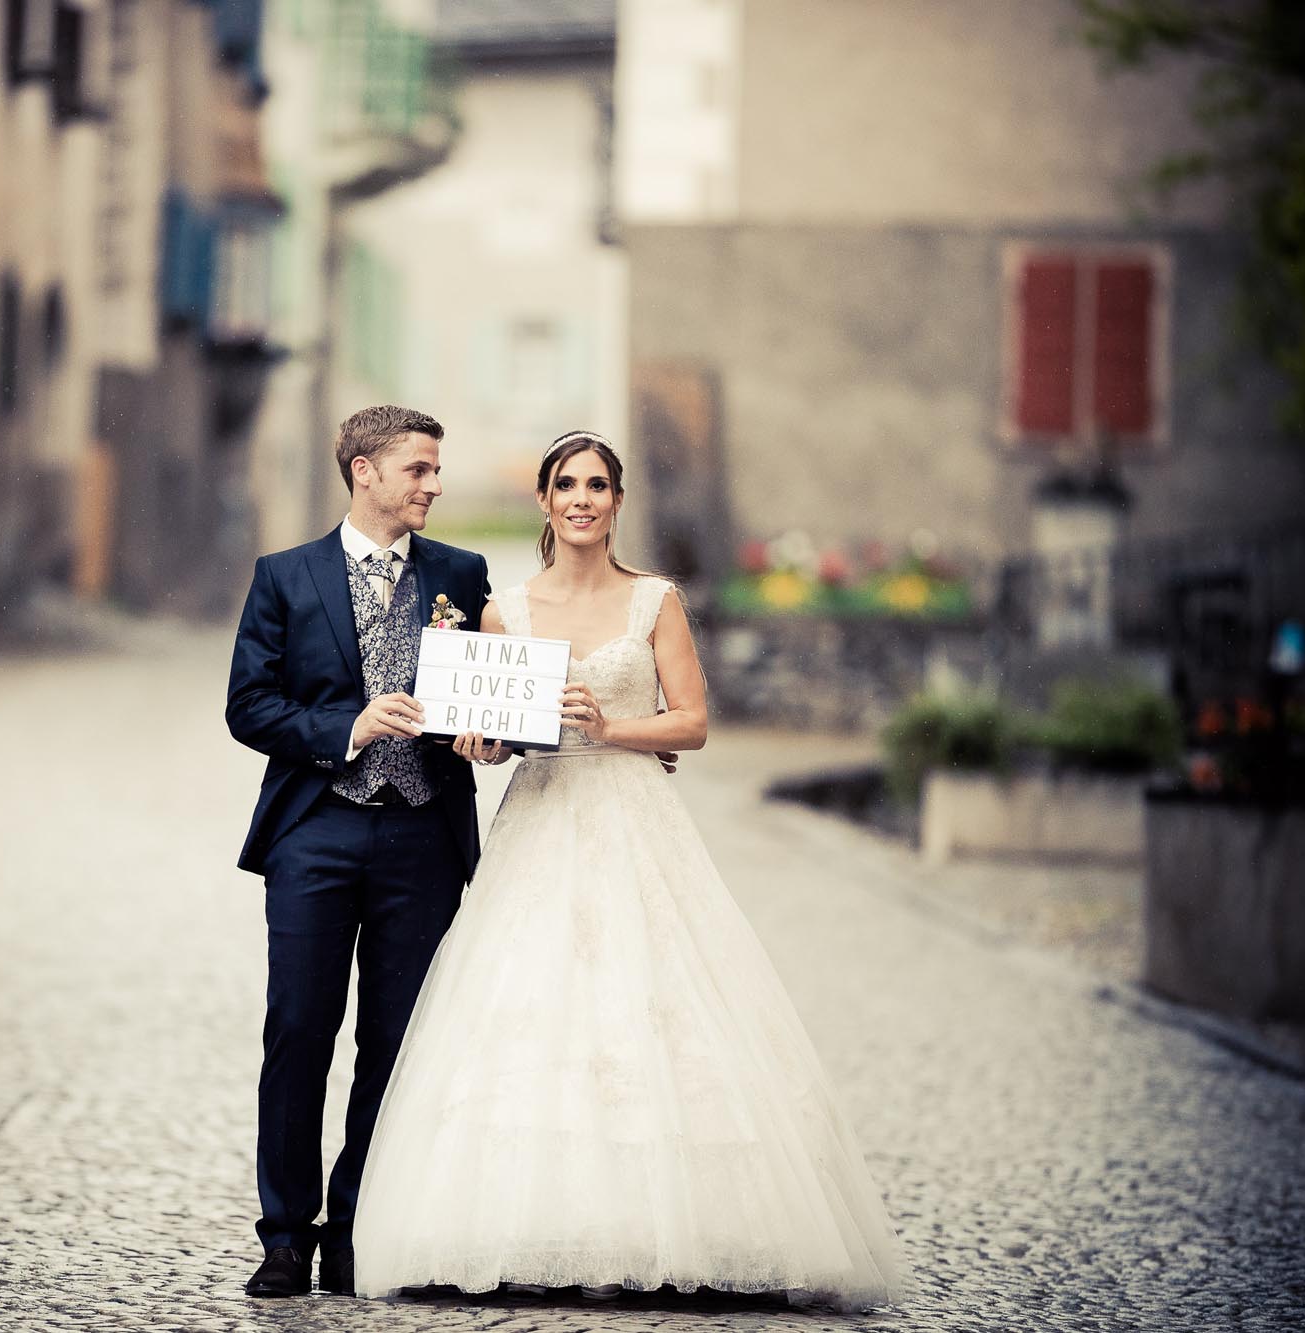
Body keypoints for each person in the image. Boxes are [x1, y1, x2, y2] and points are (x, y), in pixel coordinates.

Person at [350, 430, 908, 1310]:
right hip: (539, 820)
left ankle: (676, 1229)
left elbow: (690, 722)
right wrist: (480, 740)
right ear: (543, 501)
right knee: (531, 1009)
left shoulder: (655, 601)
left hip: (631, 818)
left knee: (650, 1006)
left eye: (597, 485)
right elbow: (494, 743)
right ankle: (527, 1227)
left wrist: (610, 728)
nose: (581, 498)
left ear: (616, 501)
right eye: (566, 484)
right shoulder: (509, 612)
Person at [224, 405, 502, 1298]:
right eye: (417, 469)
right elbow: (249, 706)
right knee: (299, 1031)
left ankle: (352, 1229)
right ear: (364, 471)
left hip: (422, 838)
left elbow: (493, 702)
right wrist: (344, 726)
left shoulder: (462, 573)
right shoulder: (286, 576)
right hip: (318, 830)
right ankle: (283, 1234)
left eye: (434, 470)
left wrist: (488, 737)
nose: (433, 484)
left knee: (394, 1042)